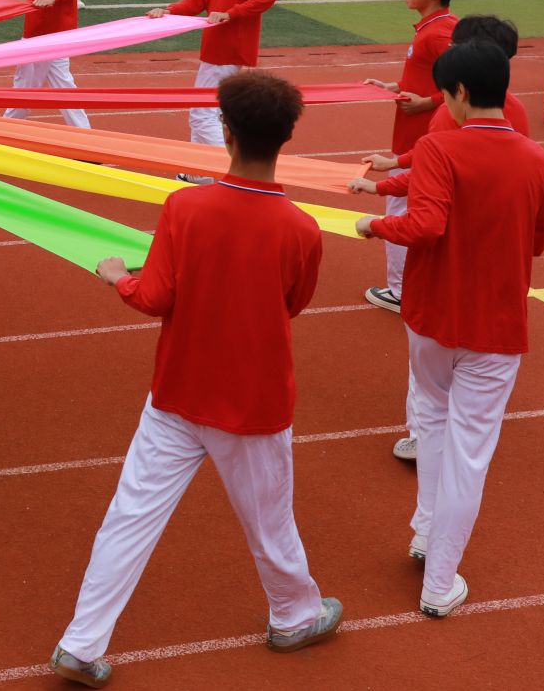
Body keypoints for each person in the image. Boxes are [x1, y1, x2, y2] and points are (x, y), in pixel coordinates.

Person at [49, 74, 339, 688]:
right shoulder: (301, 228)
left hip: (177, 392)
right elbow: (293, 303)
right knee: (269, 520)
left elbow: (153, 297)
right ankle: (294, 615)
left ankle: (82, 641)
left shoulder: (184, 208)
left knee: (130, 516)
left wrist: (116, 276)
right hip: (253, 403)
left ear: (225, 133)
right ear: (286, 138)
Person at [355, 40, 544, 620]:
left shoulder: (439, 148)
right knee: (469, 450)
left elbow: (424, 225)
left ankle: (426, 532)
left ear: (461, 92)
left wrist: (373, 226)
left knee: (434, 424)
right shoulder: (536, 159)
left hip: (432, 317)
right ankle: (438, 581)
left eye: (445, 94)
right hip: (495, 324)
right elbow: (538, 242)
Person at [357, 0, 462, 316]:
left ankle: (401, 290)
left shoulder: (441, 32)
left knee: (403, 214)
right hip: (419, 137)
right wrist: (395, 86)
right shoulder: (432, 27)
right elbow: (430, 78)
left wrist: (427, 103)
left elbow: (464, 82)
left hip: (420, 141)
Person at [148, 0, 278, 161]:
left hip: (228, 49)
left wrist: (231, 13)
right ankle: (198, 171)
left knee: (202, 112)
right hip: (214, 47)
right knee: (207, 112)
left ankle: (225, 168)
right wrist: (169, 10)